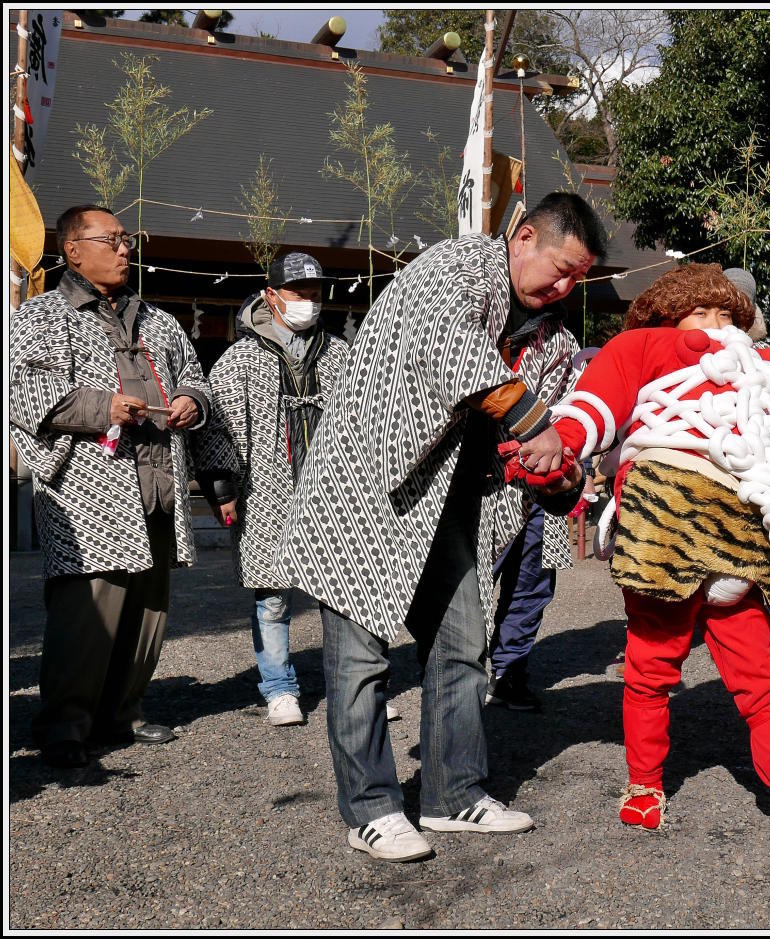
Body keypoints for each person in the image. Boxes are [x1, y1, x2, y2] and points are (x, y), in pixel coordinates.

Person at [276, 193, 603, 862]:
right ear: (525, 237)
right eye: (561, 268)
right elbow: (447, 348)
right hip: (366, 488)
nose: (566, 286)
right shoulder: (453, 267)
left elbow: (556, 428)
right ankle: (369, 807)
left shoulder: (558, 338)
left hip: (457, 504)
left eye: (579, 277)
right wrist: (530, 417)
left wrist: (561, 471)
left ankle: (453, 792)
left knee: (462, 646)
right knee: (362, 658)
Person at [549, 264, 770, 860]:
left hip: (744, 538)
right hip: (664, 527)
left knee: (762, 681)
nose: (718, 327)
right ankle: (645, 782)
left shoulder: (762, 371)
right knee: (651, 666)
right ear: (669, 315)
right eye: (702, 314)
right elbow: (596, 405)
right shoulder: (644, 344)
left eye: (727, 315)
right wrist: (560, 443)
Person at [9, 204, 212, 768]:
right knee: (88, 613)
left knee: (148, 611)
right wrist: (104, 406)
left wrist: (194, 403)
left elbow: (195, 375)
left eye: (128, 240)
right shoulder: (39, 317)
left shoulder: (158, 320)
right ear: (72, 249)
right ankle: (65, 726)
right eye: (113, 240)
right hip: (87, 490)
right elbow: (22, 391)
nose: (126, 250)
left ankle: (124, 712)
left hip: (158, 479)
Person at [193, 252, 348, 727]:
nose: (309, 301)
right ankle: (279, 687)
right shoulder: (240, 358)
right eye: (299, 292)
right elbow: (216, 427)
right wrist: (222, 487)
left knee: (343, 592)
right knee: (273, 595)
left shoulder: (340, 351)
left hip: (334, 489)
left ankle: (356, 686)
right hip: (268, 488)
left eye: (316, 293)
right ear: (271, 295)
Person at [483, 301, 585, 713]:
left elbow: (575, 401)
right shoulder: (484, 329)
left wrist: (576, 461)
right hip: (485, 481)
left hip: (545, 478)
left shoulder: (563, 341)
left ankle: (509, 671)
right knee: (471, 580)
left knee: (532, 584)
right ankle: (459, 672)